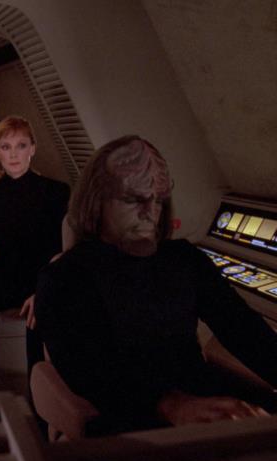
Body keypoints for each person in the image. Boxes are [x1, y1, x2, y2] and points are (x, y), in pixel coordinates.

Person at [36, 135, 277, 436]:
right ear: (97, 201)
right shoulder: (64, 278)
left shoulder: (184, 259)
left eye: (159, 199)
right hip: (130, 415)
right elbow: (90, 371)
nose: (150, 211)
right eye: (133, 199)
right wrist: (171, 405)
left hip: (197, 395)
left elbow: (242, 328)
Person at [0, 115, 70, 393]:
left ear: (33, 148)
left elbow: (61, 251)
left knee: (40, 319)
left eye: (21, 146)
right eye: (6, 147)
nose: (14, 154)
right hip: (5, 274)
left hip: (42, 277)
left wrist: (44, 290)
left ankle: (39, 399)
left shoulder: (56, 192)